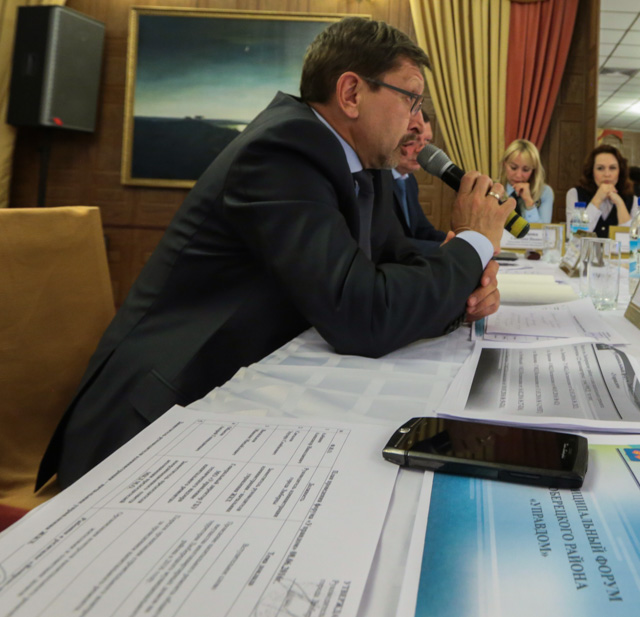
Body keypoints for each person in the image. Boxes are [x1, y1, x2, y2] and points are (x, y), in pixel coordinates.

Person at [37, 17, 514, 489]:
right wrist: (473, 243)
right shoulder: (282, 152)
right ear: (351, 93)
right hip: (153, 423)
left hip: (242, 400)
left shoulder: (365, 167)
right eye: (411, 98)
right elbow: (364, 315)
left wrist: (465, 292)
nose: (416, 121)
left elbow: (395, 263)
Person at [392, 109, 447, 253]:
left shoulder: (409, 180)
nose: (421, 150)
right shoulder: (376, 180)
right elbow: (390, 242)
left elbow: (422, 229)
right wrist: (444, 248)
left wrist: (456, 242)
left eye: (426, 141)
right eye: (411, 142)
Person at [566, 144, 636, 238]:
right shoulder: (574, 194)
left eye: (612, 168)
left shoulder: (633, 199)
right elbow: (574, 236)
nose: (607, 174)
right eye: (600, 168)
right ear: (592, 171)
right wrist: (597, 199)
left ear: (620, 171)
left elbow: (630, 240)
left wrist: (620, 204)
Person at [499, 139, 553, 224]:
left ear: (534, 170)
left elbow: (543, 229)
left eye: (526, 170)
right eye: (513, 168)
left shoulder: (544, 192)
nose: (518, 175)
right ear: (504, 164)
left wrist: (529, 202)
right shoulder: (494, 189)